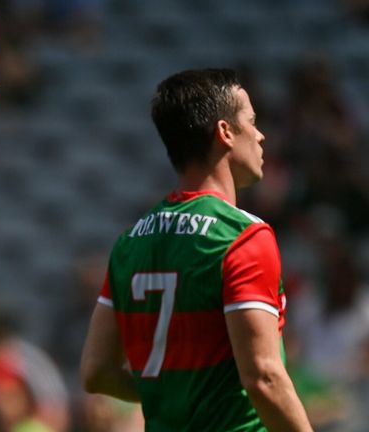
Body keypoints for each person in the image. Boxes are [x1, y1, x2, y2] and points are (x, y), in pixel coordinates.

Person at [79, 68, 313, 431]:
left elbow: (97, 373)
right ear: (225, 132)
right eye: (251, 122)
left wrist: (177, 390)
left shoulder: (131, 241)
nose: (261, 135)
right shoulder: (242, 235)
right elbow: (264, 379)